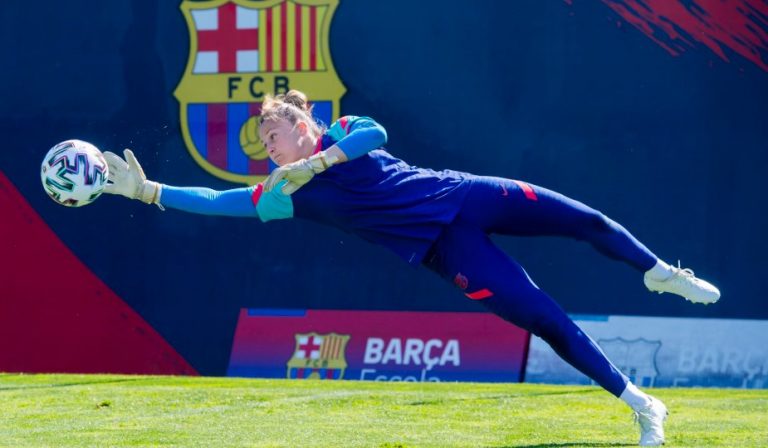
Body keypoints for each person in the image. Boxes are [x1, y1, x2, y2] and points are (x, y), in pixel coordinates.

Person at [103, 90, 720, 447]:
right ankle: (643, 406)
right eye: (263, 138)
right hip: (445, 251)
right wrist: (149, 191)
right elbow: (220, 201)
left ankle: (659, 270)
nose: (266, 143)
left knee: (584, 219)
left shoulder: (338, 133)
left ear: (301, 126)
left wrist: (313, 166)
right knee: (544, 317)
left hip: (463, 194)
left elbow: (375, 132)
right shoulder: (280, 193)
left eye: (272, 132)